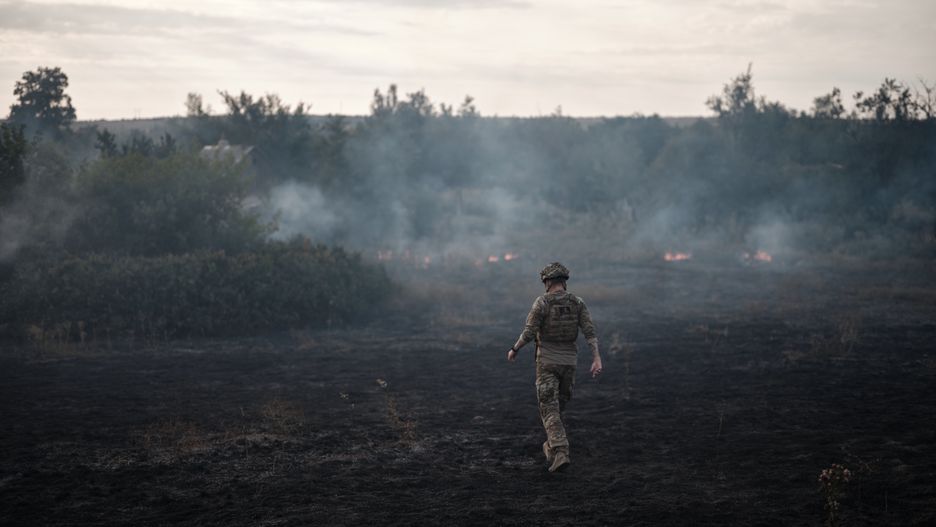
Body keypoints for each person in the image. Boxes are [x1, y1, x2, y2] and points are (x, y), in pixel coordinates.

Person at [507, 262, 602, 473]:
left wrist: (515, 349)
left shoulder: (542, 303)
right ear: (564, 282)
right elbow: (589, 332)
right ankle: (550, 446)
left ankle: (560, 451)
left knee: (549, 408)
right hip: (569, 363)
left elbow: (530, 332)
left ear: (547, 282)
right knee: (558, 407)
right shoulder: (578, 303)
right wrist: (596, 358)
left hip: (547, 363)